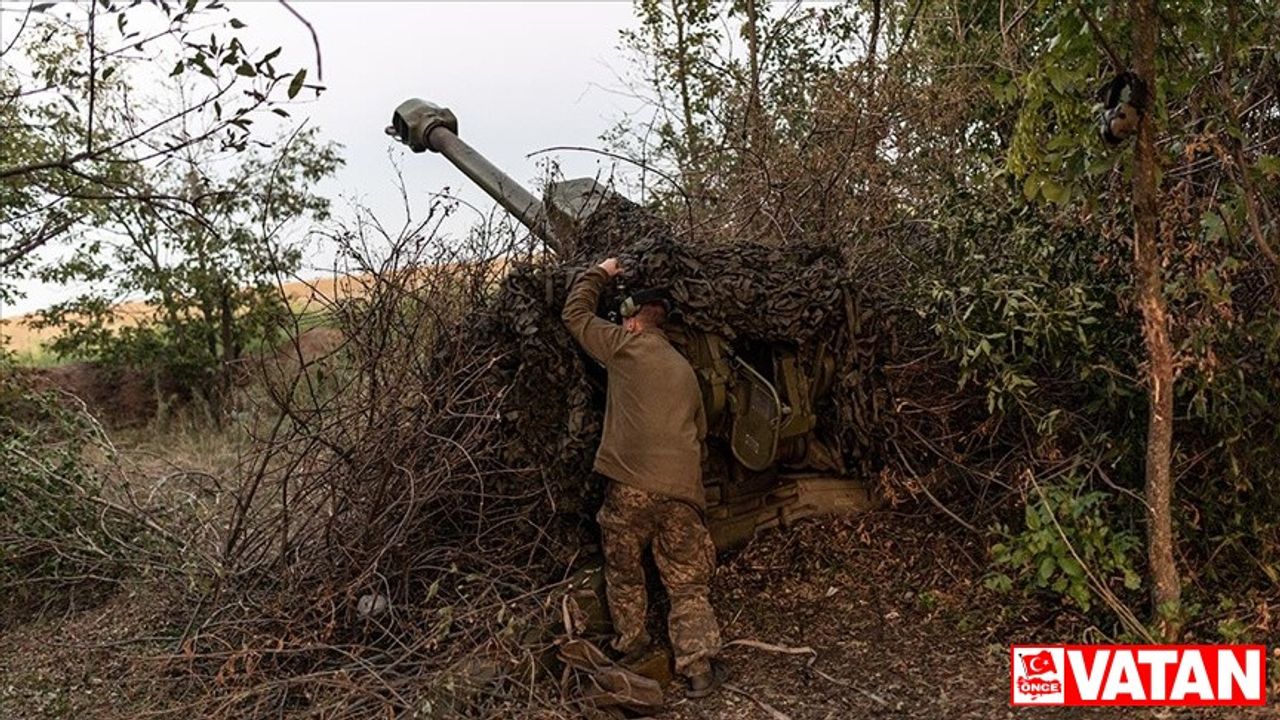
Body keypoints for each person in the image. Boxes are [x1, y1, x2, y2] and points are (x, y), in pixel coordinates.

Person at [561, 256, 724, 697]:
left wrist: (602, 272)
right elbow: (701, 434)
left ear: (632, 321)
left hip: (630, 489)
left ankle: (634, 650)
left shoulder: (624, 346)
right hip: (682, 493)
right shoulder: (686, 371)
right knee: (688, 581)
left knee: (625, 572)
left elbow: (573, 314)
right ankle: (699, 669)